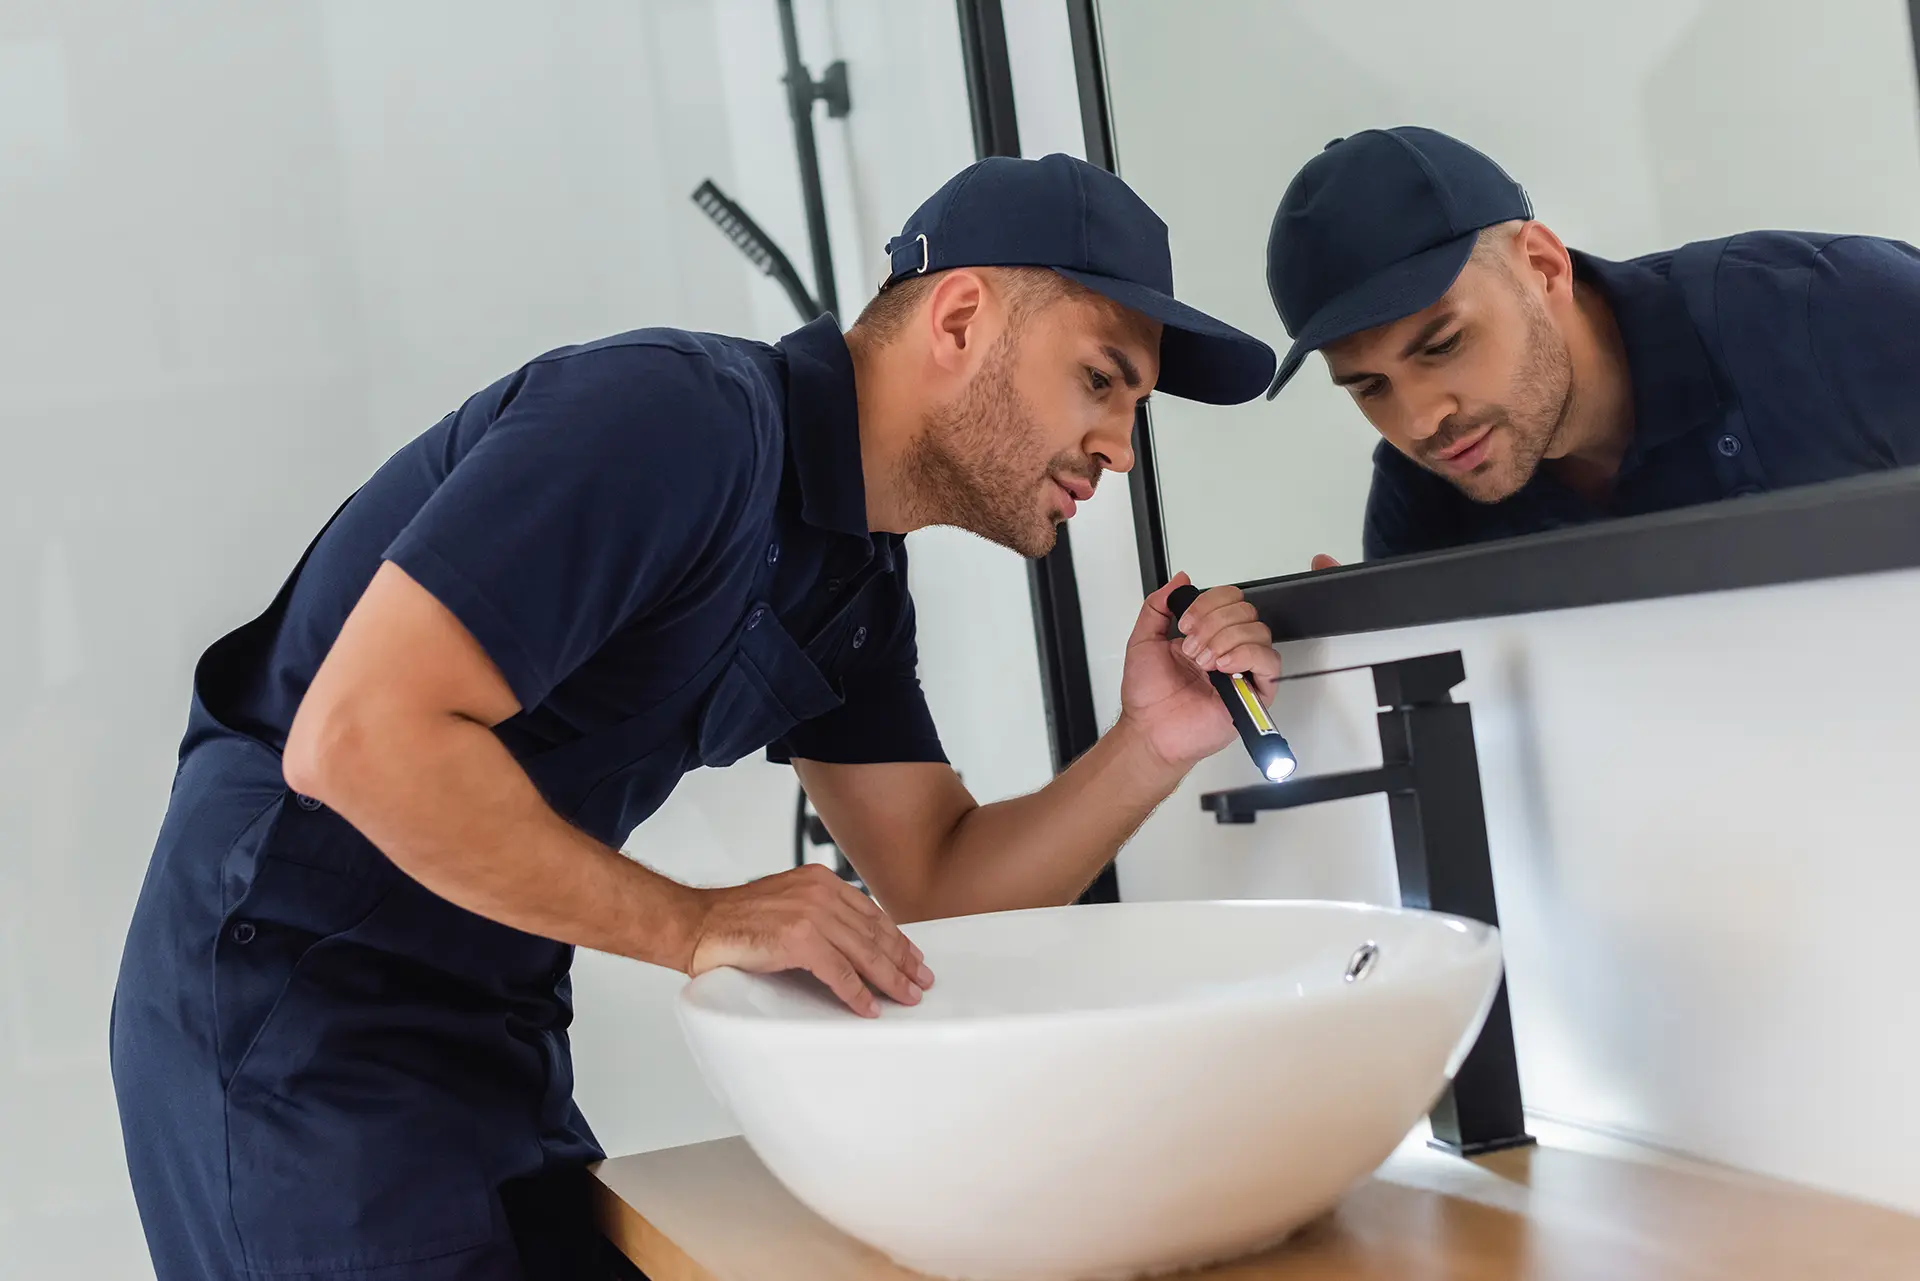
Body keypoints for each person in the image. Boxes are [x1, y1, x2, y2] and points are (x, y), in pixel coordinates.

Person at [108, 153, 1282, 1281]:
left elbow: (941, 886)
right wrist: (696, 922)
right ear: (962, 318)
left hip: (488, 1027)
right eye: (1101, 379)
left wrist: (1152, 742)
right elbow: (355, 740)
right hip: (289, 1028)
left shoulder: (854, 579)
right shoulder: (670, 420)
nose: (1121, 450)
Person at [1260, 126, 1920, 563]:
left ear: (1544, 267)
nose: (1420, 419)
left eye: (1442, 344)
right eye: (1369, 386)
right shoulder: (1424, 499)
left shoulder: (1830, 312)